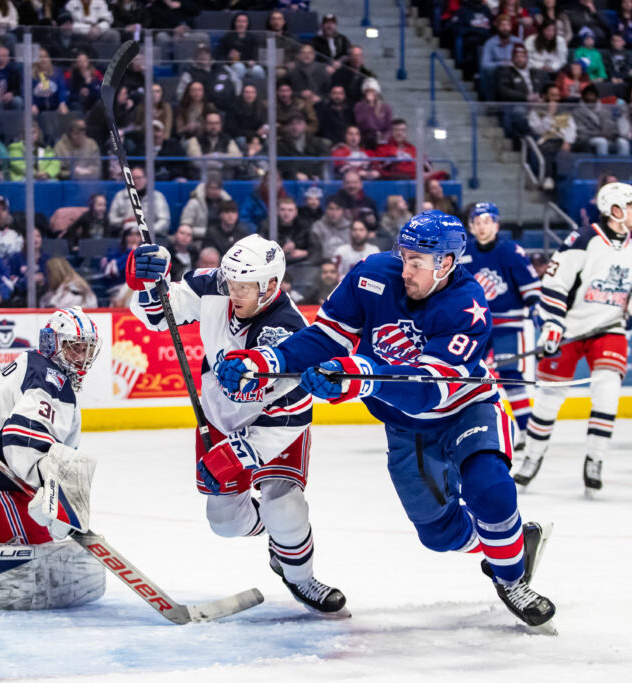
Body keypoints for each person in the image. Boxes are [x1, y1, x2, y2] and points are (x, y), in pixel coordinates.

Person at [213, 211, 556, 629]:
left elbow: (428, 391)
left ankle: (511, 578)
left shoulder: (467, 307)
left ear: (446, 263)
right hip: (404, 427)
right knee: (439, 536)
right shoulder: (373, 274)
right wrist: (265, 360)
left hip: (466, 410)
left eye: (417, 262)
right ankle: (514, 543)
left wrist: (357, 379)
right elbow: (326, 336)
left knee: (491, 489)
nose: (405, 268)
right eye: (404, 255)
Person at [125, 234, 346, 615]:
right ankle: (278, 540)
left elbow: (294, 408)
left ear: (272, 285)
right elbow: (161, 317)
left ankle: (300, 577)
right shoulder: (215, 285)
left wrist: (239, 454)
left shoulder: (287, 330)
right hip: (219, 417)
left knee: (285, 506)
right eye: (232, 283)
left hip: (274, 424)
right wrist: (148, 282)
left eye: (245, 287)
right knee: (225, 523)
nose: (234, 293)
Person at [0, 307, 106, 614]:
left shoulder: (36, 365)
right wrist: (53, 493)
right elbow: (22, 440)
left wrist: (55, 499)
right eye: (74, 347)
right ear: (53, 344)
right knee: (34, 551)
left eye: (86, 348)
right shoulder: (49, 381)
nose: (81, 356)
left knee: (43, 535)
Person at [514, 183, 632, 495]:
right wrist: (552, 324)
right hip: (569, 328)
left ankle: (595, 459)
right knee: (549, 398)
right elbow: (554, 282)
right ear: (616, 211)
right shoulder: (583, 240)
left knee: (607, 391)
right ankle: (532, 458)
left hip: (609, 329)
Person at [460, 203, 540, 452]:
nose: (482, 226)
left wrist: (537, 308)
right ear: (471, 226)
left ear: (496, 225)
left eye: (487, 221)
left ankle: (527, 431)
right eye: (478, 222)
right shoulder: (464, 252)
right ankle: (466, 428)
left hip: (508, 323)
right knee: (468, 375)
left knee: (510, 376)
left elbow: (530, 286)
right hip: (476, 326)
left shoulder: (510, 251)